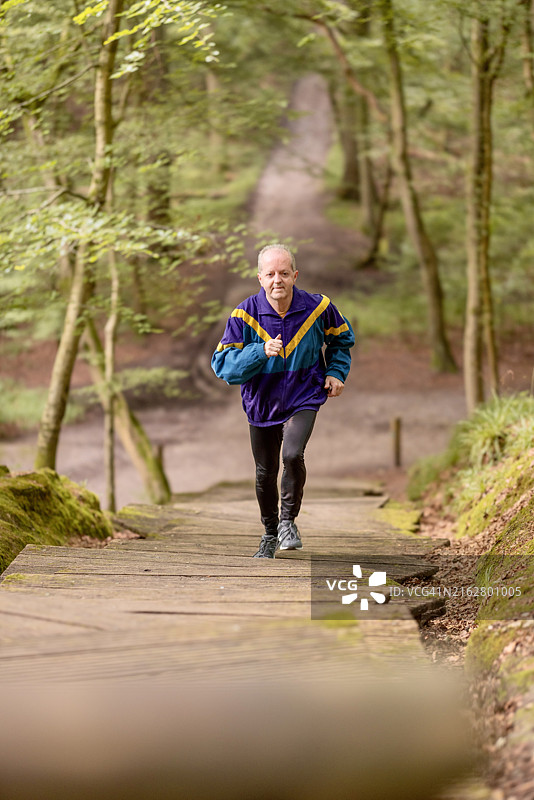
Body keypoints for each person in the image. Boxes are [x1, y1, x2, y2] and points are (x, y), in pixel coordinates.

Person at [211, 244, 355, 558]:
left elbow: (342, 340)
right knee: (265, 471)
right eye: (271, 274)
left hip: (305, 393)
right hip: (262, 401)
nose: (278, 280)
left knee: (292, 454)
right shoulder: (244, 315)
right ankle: (269, 533)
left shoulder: (318, 307)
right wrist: (258, 352)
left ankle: (288, 521)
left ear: (295, 276)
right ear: (260, 278)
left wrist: (335, 371)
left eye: (284, 273)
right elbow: (222, 365)